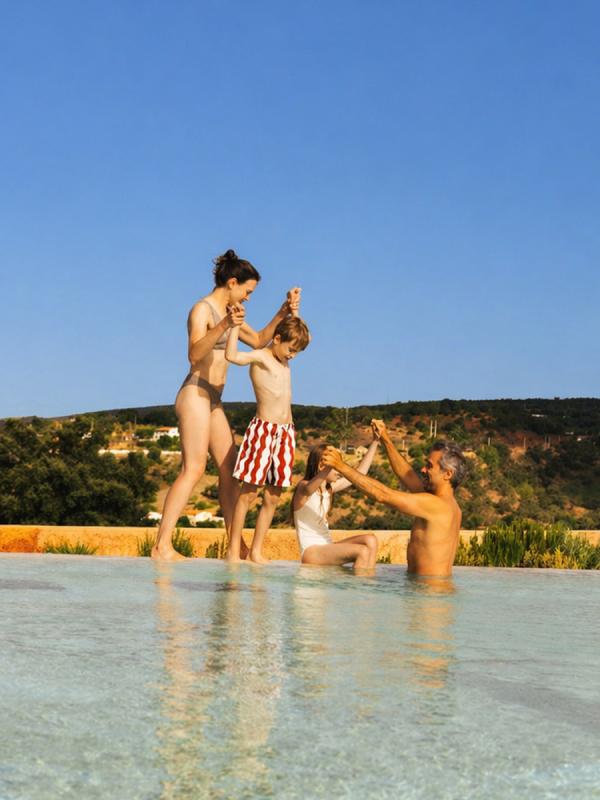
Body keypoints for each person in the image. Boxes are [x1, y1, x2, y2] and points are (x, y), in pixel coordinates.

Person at [151, 249, 300, 560]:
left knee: (231, 469)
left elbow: (259, 340)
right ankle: (161, 545)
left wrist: (283, 312)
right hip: (195, 392)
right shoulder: (202, 310)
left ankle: (236, 546)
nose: (247, 299)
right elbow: (194, 354)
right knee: (193, 468)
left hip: (214, 400)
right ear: (232, 282)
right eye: (247, 291)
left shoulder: (233, 313)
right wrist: (223, 326)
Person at [321, 420, 468, 576]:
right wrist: (385, 439)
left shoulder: (435, 505)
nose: (423, 469)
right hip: (431, 591)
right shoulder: (449, 505)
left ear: (447, 474)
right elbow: (408, 475)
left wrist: (341, 466)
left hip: (427, 594)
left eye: (430, 466)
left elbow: (383, 495)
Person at [224, 314, 311, 563]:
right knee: (249, 493)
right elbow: (232, 356)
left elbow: (298, 331)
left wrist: (294, 307)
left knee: (273, 496)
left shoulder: (285, 360)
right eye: (291, 349)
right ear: (276, 339)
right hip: (263, 430)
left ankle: (256, 551)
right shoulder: (261, 356)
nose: (293, 355)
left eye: (297, 351)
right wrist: (234, 326)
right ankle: (232, 549)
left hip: (285, 434)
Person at [292, 434, 380, 570]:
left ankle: (366, 580)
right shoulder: (303, 488)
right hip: (311, 551)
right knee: (361, 551)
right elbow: (310, 488)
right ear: (322, 465)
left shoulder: (329, 489)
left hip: (327, 546)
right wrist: (330, 466)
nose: (339, 471)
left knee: (370, 540)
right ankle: (363, 589)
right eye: (335, 466)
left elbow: (360, 472)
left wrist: (375, 441)